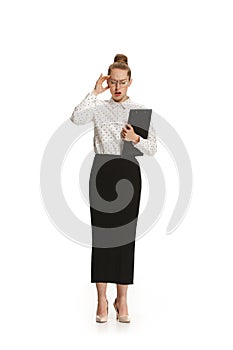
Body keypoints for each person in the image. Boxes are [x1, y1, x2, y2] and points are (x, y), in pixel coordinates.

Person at [70, 54, 157, 323]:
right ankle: (101, 300)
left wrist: (136, 138)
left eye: (122, 82)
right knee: (103, 236)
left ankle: (122, 300)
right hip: (102, 172)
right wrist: (94, 92)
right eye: (113, 82)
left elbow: (152, 149)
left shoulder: (140, 110)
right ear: (108, 82)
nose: (118, 87)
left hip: (128, 172)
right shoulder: (98, 107)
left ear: (130, 82)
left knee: (124, 236)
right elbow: (75, 118)